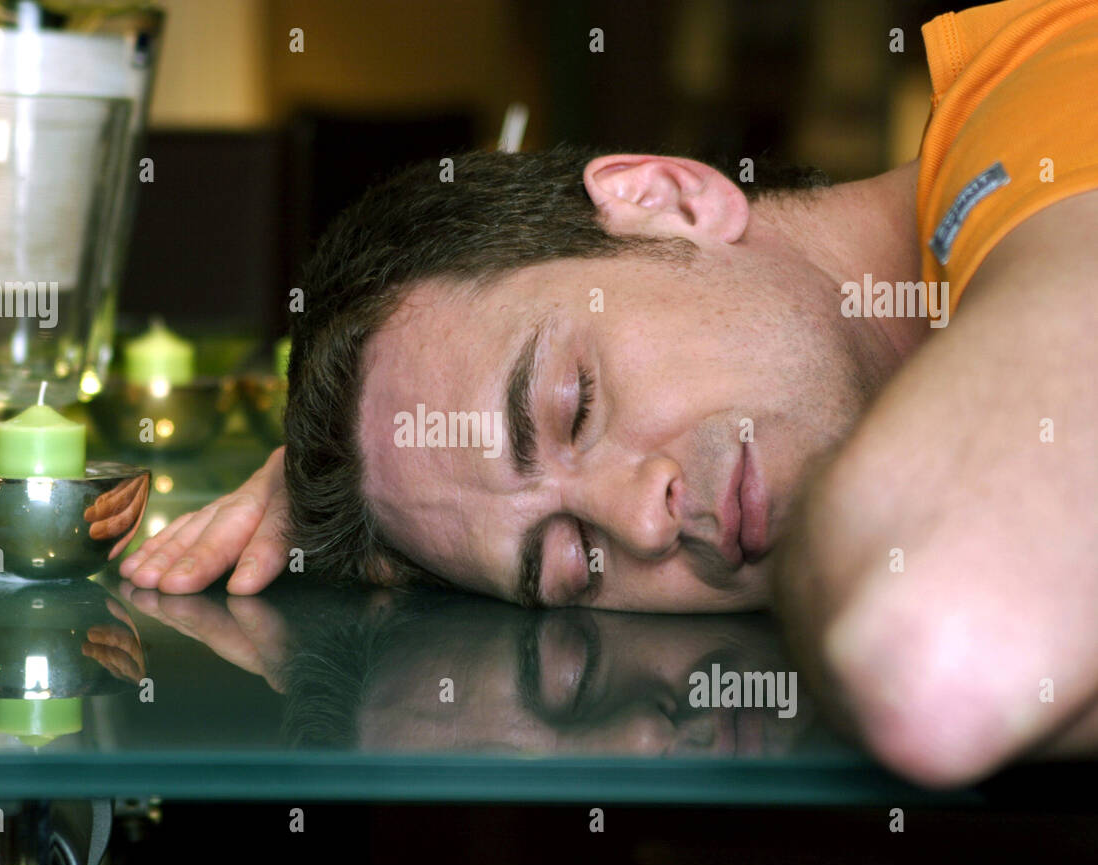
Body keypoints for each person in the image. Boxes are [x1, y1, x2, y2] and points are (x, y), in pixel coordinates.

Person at [122, 0, 1098, 786]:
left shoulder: (1046, 107)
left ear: (668, 198)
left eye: (575, 405)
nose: (640, 520)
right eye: (571, 560)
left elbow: (936, 660)